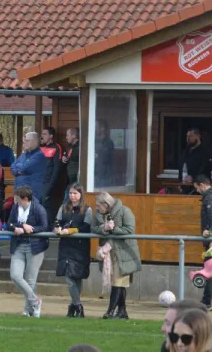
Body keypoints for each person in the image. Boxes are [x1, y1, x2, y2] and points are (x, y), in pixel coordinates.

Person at [92, 192, 141, 320]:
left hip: (123, 252)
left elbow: (130, 230)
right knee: (120, 283)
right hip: (108, 253)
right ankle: (122, 311)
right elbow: (93, 228)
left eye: (98, 205)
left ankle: (110, 311)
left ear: (105, 204)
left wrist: (113, 230)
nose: (97, 208)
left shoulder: (125, 211)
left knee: (118, 281)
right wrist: (104, 227)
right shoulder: (98, 215)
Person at [6, 186, 49, 318]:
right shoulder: (15, 208)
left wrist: (31, 229)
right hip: (18, 245)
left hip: (35, 247)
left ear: (25, 199)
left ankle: (28, 310)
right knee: (15, 275)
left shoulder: (38, 209)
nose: (15, 201)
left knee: (30, 280)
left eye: (17, 198)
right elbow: (10, 223)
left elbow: (44, 226)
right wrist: (18, 227)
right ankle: (35, 301)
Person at [54, 183, 92, 319]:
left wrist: (72, 230)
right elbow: (57, 222)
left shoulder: (87, 210)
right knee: (69, 277)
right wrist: (57, 229)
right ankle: (78, 305)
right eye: (70, 193)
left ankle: (72, 306)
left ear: (81, 195)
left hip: (80, 247)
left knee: (77, 277)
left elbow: (87, 227)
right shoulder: (63, 208)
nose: (72, 196)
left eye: (75, 193)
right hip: (66, 246)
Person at [194, 174, 212, 310]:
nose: (197, 191)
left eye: (197, 188)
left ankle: (207, 301)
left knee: (210, 270)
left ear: (201, 185)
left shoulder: (209, 198)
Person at [11, 132, 47, 201]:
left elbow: (24, 168)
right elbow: (12, 167)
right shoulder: (24, 155)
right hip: (18, 192)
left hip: (31, 195)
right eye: (24, 141)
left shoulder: (39, 155)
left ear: (35, 141)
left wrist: (19, 167)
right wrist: (19, 170)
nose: (25, 142)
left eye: (27, 140)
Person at [40, 127, 63, 228]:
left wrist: (51, 185)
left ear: (51, 136)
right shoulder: (41, 147)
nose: (42, 136)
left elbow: (57, 168)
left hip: (49, 182)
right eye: (42, 134)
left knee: (47, 205)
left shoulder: (57, 147)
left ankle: (49, 227)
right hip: (40, 181)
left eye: (45, 134)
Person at [94, 120, 115, 188]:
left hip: (105, 176)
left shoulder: (109, 142)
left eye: (96, 126)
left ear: (102, 128)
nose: (95, 129)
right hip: (94, 175)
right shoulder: (93, 141)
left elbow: (109, 159)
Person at [63, 128, 80, 203]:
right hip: (69, 181)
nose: (66, 137)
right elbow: (67, 158)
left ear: (74, 136)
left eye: (68, 135)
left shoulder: (80, 148)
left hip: (76, 182)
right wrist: (64, 158)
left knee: (66, 204)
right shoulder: (70, 147)